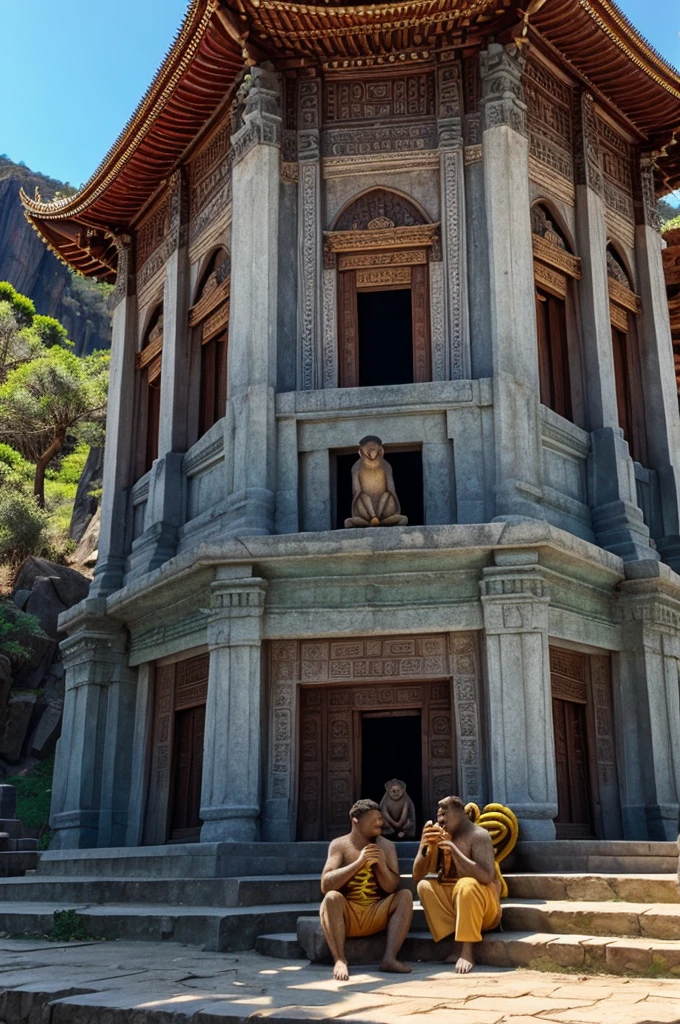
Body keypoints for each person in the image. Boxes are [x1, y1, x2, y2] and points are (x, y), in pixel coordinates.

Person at [319, 798, 414, 980]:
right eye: (375, 819)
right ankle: (340, 959)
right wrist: (359, 863)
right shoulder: (339, 845)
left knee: (405, 896)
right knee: (331, 897)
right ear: (356, 820)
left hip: (375, 913)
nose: (381, 823)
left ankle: (389, 958)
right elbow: (326, 884)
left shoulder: (387, 846)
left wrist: (381, 867)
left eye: (381, 819)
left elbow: (391, 887)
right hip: (349, 915)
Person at [413, 794, 501, 974]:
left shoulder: (478, 835)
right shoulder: (438, 835)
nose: (441, 820)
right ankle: (455, 944)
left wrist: (452, 848)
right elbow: (417, 875)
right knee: (424, 887)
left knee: (466, 885)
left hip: (485, 907)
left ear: (460, 812)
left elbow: (486, 876)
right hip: (454, 901)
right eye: (439, 816)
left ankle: (467, 951)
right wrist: (424, 845)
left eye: (445, 814)